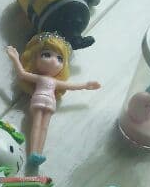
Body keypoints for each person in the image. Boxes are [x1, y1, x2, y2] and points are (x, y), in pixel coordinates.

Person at [6, 33, 100, 167]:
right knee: (36, 125)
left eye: (60, 58)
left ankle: (38, 154)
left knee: (44, 127)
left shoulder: (55, 82)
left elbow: (72, 86)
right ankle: (32, 153)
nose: (53, 61)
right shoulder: (39, 78)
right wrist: (15, 58)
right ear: (35, 57)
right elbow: (22, 74)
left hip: (50, 103)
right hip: (38, 100)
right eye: (47, 55)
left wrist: (86, 85)